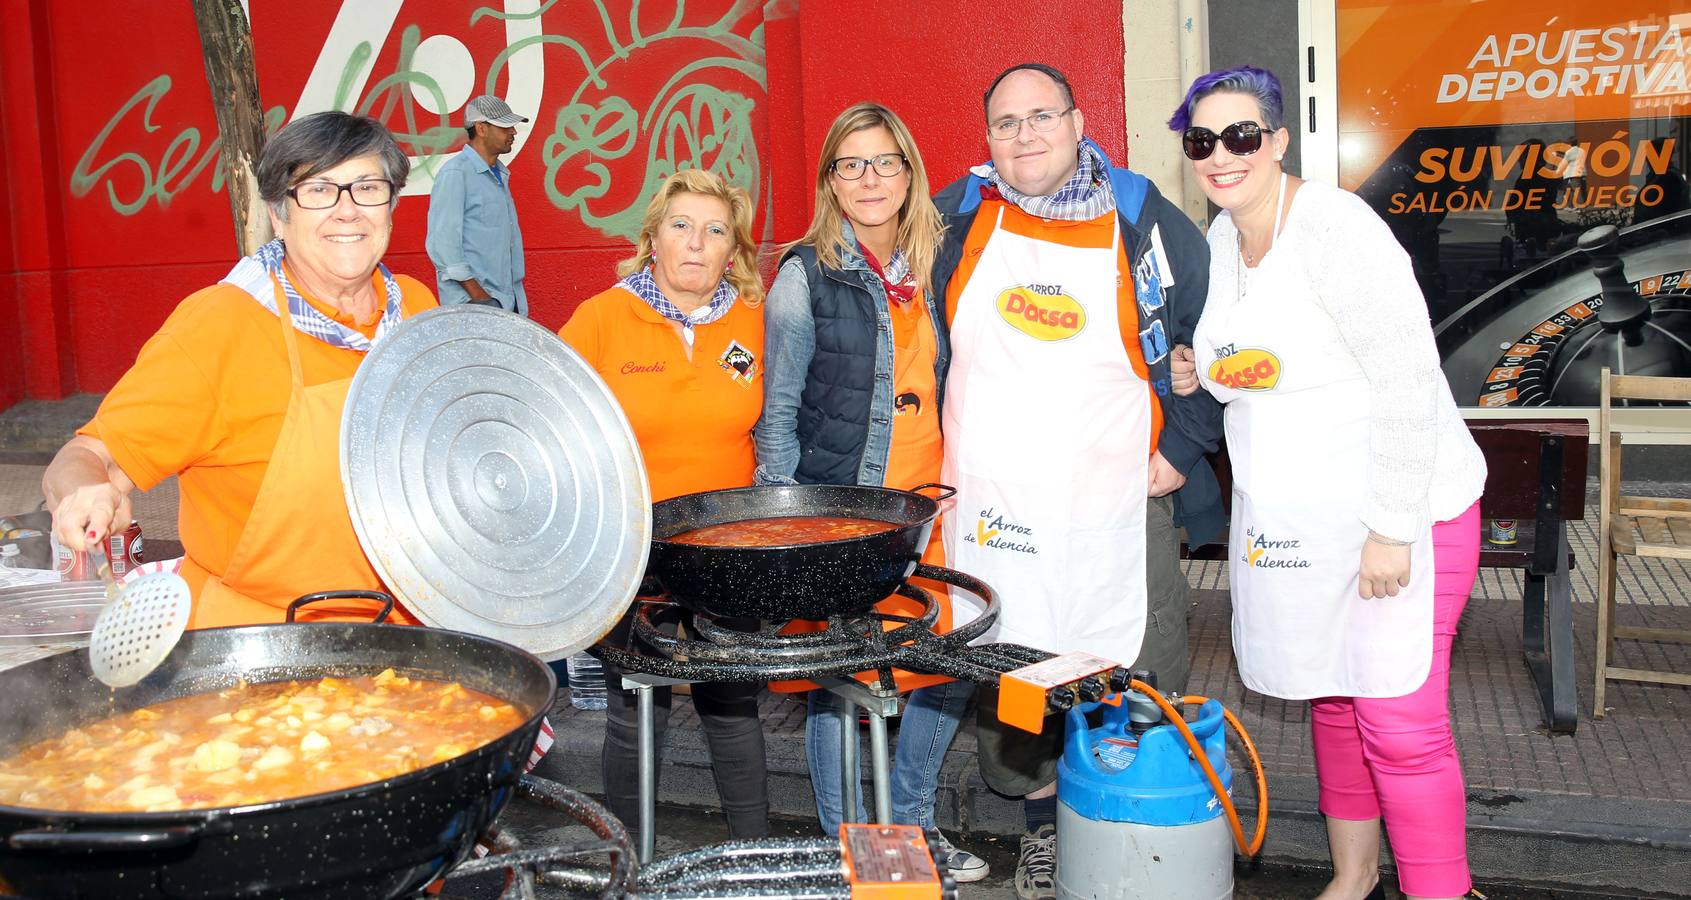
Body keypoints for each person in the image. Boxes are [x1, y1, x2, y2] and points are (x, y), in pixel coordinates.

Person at [1167, 66, 1486, 900]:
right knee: (1331, 703)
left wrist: (1389, 527)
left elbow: (1408, 378)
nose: (1221, 156)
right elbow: (1254, 363)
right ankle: (1353, 877)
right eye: (1202, 141)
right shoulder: (1221, 240)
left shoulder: (1336, 227)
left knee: (1397, 723)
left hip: (1400, 515)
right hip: (1299, 523)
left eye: (1241, 136)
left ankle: (1438, 893)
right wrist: (1197, 370)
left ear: (1275, 141)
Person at [929, 62, 1222, 900]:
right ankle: (1042, 831)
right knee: (1013, 680)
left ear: (1078, 120)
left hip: (1116, 504)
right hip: (995, 508)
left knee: (1137, 666)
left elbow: (1216, 337)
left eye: (1040, 116)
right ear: (987, 137)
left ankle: (1133, 834)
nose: (1024, 135)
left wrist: (1187, 444)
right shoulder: (955, 215)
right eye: (1005, 122)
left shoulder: (1146, 224)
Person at [43, 112, 436, 627]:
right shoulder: (220, 325)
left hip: (413, 638)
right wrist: (82, 493)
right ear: (278, 215)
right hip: (259, 647)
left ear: (391, 205)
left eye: (366, 187)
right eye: (318, 190)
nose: (348, 211)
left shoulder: (416, 307)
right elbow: (85, 457)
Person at [754, 102, 986, 881]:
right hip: (845, 511)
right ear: (828, 180)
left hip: (936, 506)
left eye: (885, 161)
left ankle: (911, 825)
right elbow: (778, 410)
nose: (869, 178)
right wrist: (780, 521)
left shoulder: (940, 261)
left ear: (910, 171)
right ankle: (845, 842)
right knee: (839, 678)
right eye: (850, 164)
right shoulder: (803, 272)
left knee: (945, 658)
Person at [558, 167, 770, 839]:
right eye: (680, 226)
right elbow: (554, 429)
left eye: (715, 231)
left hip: (727, 549)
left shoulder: (753, 320)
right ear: (653, 238)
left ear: (731, 249)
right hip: (631, 550)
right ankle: (628, 857)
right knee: (635, 708)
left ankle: (752, 854)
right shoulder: (601, 318)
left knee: (731, 705)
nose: (696, 243)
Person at [427, 94, 529, 315]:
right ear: (481, 128)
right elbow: (442, 245)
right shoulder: (456, 173)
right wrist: (480, 298)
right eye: (505, 127)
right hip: (475, 307)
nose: (513, 132)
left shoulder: (499, 174)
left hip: (503, 304)